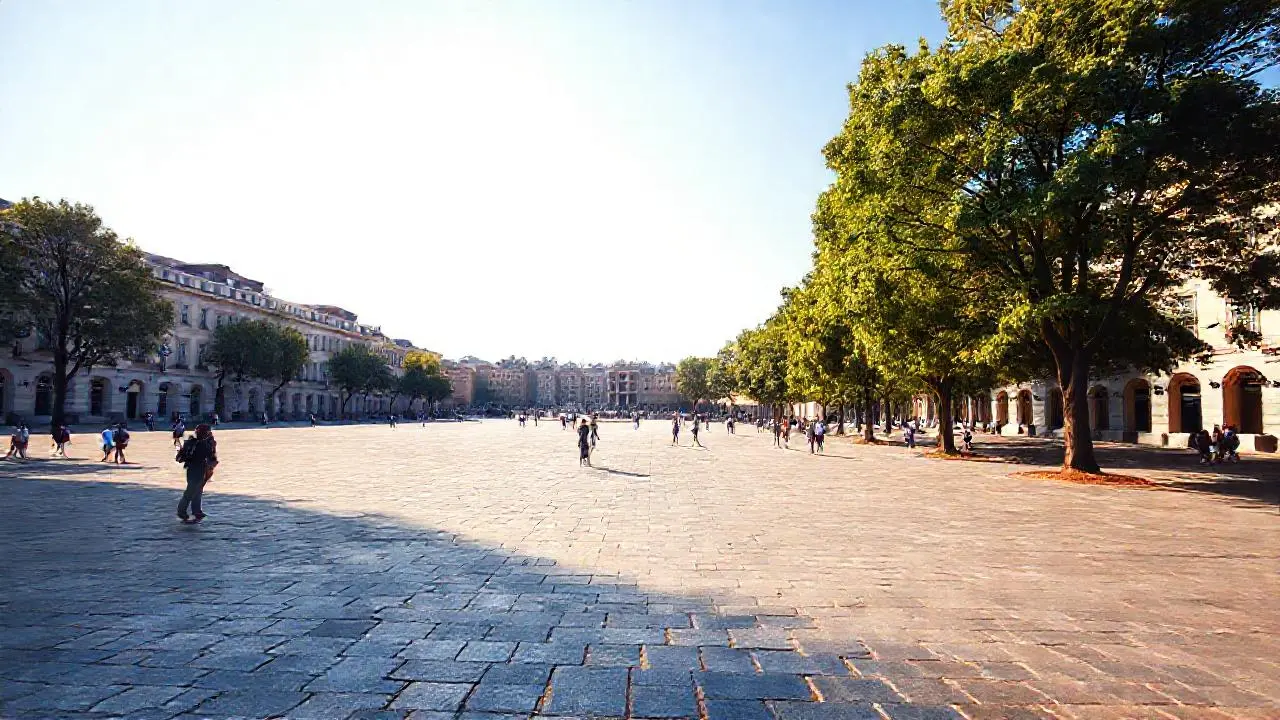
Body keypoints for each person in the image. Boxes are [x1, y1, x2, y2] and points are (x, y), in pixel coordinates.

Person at [176, 423, 218, 523]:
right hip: (199, 470)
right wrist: (213, 446)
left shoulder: (191, 442)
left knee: (197, 491)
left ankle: (196, 511)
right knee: (191, 491)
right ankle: (181, 512)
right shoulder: (204, 445)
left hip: (191, 469)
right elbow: (212, 458)